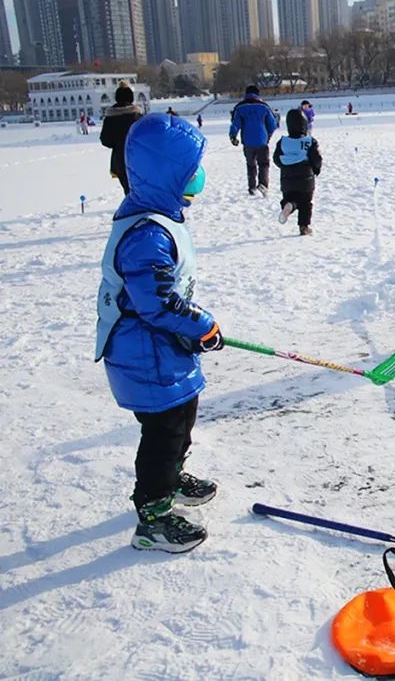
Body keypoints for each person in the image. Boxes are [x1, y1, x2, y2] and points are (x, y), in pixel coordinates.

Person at [94, 113, 223, 553]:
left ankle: (172, 477)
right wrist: (203, 325)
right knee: (163, 435)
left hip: (165, 349)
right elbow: (157, 303)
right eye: (191, 169)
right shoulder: (146, 234)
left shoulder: (161, 219)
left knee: (182, 420)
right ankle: (153, 517)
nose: (198, 176)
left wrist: (194, 331)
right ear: (168, 174)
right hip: (144, 355)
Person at [273, 109, 323, 236]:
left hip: (287, 178)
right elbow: (316, 158)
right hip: (306, 177)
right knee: (305, 203)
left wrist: (284, 166)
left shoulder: (283, 142)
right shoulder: (309, 141)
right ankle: (304, 227)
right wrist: (316, 169)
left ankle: (289, 205)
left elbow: (276, 158)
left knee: (290, 198)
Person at [229, 84, 277, 196]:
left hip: (247, 141)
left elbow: (235, 123)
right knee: (264, 164)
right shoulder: (264, 106)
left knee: (251, 165)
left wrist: (233, 136)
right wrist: (268, 135)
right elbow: (272, 124)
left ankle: (252, 187)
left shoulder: (240, 107)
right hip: (262, 140)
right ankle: (263, 184)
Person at [100, 81, 143, 196]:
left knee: (129, 192)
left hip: (120, 160)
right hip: (139, 159)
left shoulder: (110, 118)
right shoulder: (137, 117)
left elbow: (106, 141)